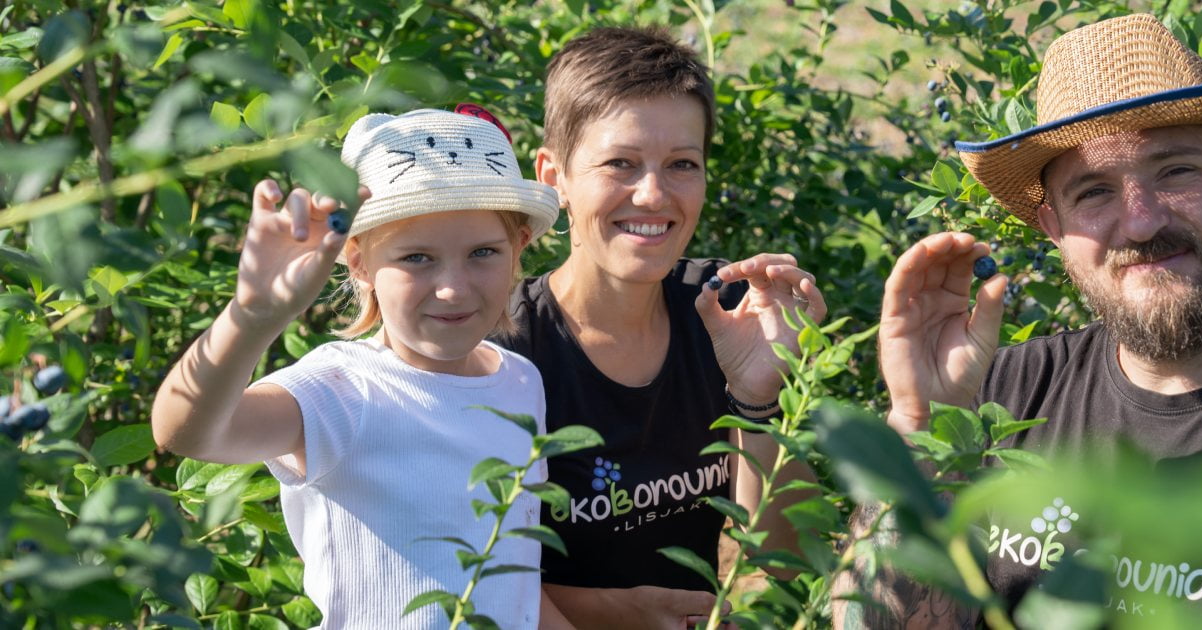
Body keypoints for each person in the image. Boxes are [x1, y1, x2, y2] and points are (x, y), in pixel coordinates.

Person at [848, 13, 1202, 627]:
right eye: (1093, 192)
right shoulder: (1001, 396)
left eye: (1176, 171)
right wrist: (919, 430)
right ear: (1056, 231)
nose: (1141, 222)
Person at [151, 106, 571, 628]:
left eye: (483, 251)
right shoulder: (341, 389)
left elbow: (514, 586)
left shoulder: (520, 382)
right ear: (359, 263)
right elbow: (186, 431)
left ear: (519, 249)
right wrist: (251, 317)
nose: (453, 287)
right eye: (416, 257)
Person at [494, 26, 826, 628]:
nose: (653, 194)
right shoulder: (504, 353)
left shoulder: (722, 311)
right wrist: (617, 613)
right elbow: (461, 578)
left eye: (682, 164)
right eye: (620, 163)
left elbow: (791, 563)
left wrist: (760, 400)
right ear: (553, 176)